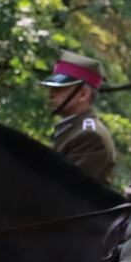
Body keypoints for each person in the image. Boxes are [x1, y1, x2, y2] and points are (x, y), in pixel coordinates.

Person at [39, 50, 116, 183]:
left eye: (58, 89)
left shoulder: (90, 135)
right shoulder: (73, 128)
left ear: (83, 95)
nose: (50, 94)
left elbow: (64, 189)